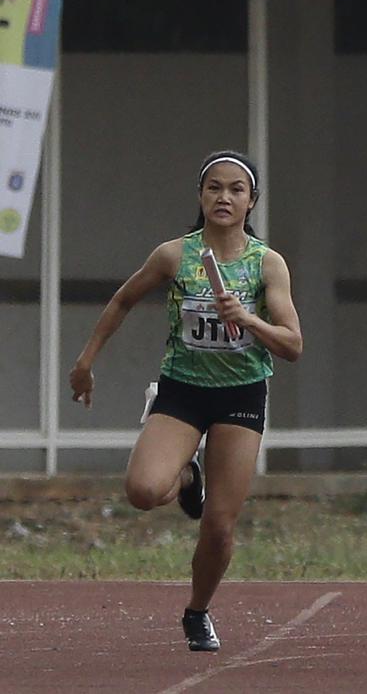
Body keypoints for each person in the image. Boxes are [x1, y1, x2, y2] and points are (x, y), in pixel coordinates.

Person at [69, 151, 303, 652]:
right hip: (183, 390)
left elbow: (293, 345)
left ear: (251, 201)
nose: (224, 196)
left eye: (236, 189)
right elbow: (124, 300)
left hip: (241, 396)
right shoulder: (175, 255)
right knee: (143, 491)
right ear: (200, 196)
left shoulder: (267, 263)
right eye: (214, 187)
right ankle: (187, 473)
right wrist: (86, 361)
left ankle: (197, 611)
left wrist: (250, 318)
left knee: (219, 527)